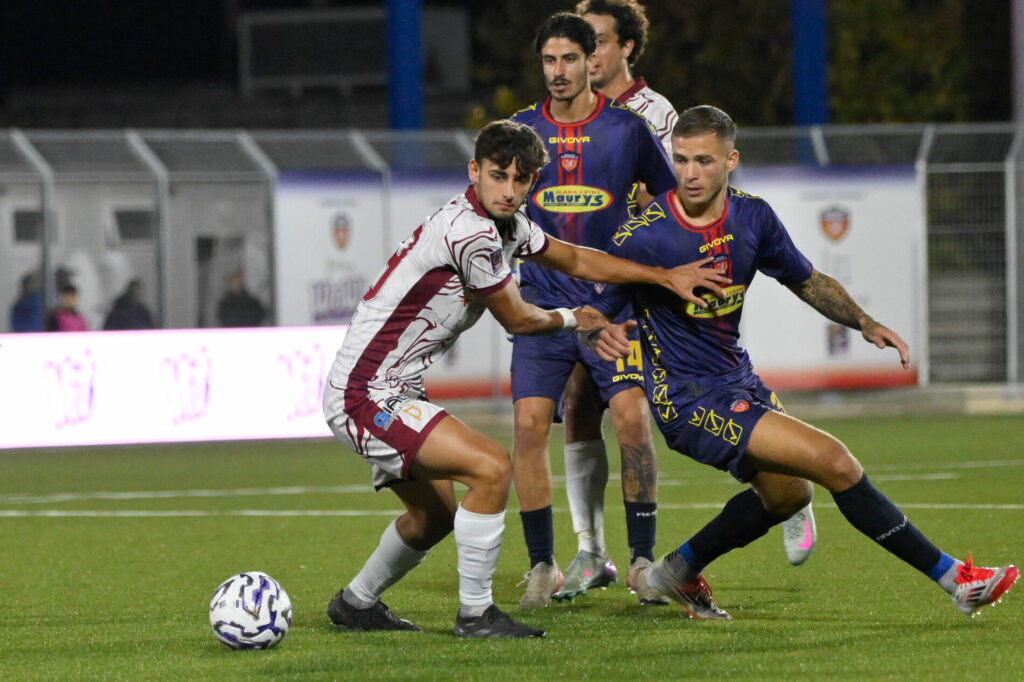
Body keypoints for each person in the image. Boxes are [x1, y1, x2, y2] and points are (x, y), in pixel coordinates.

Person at [586, 104, 1019, 619]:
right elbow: (592, 311)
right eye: (680, 160)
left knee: (788, 496)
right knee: (836, 462)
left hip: (737, 380)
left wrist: (864, 321)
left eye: (703, 161)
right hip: (686, 397)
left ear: (730, 161)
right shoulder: (646, 233)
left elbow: (807, 279)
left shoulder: (753, 216)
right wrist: (600, 333)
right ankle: (955, 579)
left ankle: (673, 572)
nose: (689, 173)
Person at [321, 119, 728, 638]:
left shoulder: (509, 224)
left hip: (392, 390)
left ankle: (355, 603)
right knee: (491, 467)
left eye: (521, 179)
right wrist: (575, 316)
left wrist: (663, 276)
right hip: (364, 394)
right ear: (475, 171)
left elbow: (578, 258)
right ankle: (476, 615)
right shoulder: (469, 231)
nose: (509, 190)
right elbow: (517, 318)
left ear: (534, 181)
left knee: (435, 517)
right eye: (498, 176)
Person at [563, 0, 816, 594]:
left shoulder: (654, 113)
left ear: (626, 47)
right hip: (595, 271)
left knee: (639, 408)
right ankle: (589, 551)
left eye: (596, 41)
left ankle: (649, 556)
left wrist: (654, 269)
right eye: (579, 44)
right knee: (577, 402)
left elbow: (680, 197)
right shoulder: (563, 113)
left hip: (657, 279)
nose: (587, 55)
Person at [507, 12, 681, 608]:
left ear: (592, 62)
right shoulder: (520, 132)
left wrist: (652, 272)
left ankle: (640, 561)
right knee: (530, 427)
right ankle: (542, 566)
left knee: (632, 419)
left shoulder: (629, 131)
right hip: (545, 311)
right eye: (549, 61)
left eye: (570, 60)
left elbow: (666, 205)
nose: (558, 72)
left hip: (612, 309)